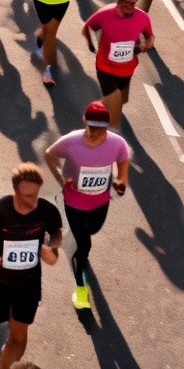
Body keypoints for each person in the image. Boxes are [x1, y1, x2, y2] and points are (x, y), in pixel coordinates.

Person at [0, 164, 62, 369]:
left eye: (35, 195)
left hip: (28, 281)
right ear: (15, 190)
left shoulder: (46, 210)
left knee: (18, 336)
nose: (31, 201)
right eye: (26, 195)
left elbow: (56, 231)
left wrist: (53, 249)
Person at [45, 102, 129, 310]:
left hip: (100, 201)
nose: (96, 134)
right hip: (74, 202)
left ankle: (81, 247)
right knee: (84, 246)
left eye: (101, 130)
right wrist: (59, 178)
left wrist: (122, 179)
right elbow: (49, 154)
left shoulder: (116, 143)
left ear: (107, 128)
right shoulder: (71, 141)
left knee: (93, 229)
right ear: (85, 122)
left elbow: (123, 157)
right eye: (92, 128)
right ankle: (81, 289)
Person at [82, 0, 154, 127]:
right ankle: (106, 128)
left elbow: (149, 35)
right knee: (114, 98)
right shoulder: (104, 14)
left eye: (133, 3)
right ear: (119, 0)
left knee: (121, 100)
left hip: (127, 68)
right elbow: (87, 28)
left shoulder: (142, 17)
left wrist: (147, 45)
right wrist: (92, 45)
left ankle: (99, 109)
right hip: (105, 66)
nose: (130, 6)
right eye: (126, 3)